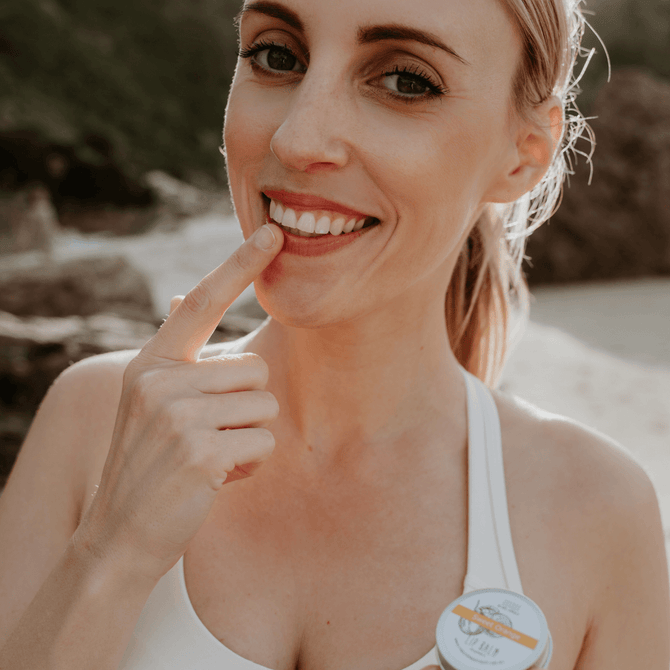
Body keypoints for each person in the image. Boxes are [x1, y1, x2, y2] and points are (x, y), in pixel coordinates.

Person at [0, 0, 668, 668]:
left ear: (523, 155)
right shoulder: (94, 420)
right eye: (277, 56)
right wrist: (111, 552)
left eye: (406, 81)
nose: (297, 140)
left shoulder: (597, 513)